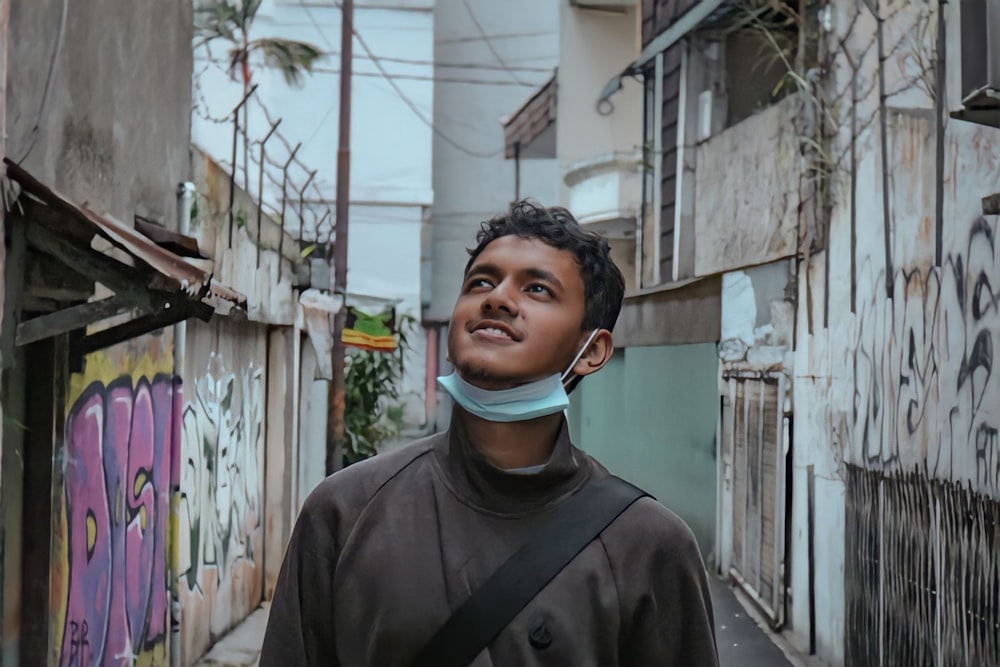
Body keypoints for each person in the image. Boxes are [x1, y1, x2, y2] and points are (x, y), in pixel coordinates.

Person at [259, 201, 718, 666]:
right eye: (481, 281)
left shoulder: (649, 547)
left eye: (537, 288)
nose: (496, 298)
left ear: (591, 350)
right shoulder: (345, 511)